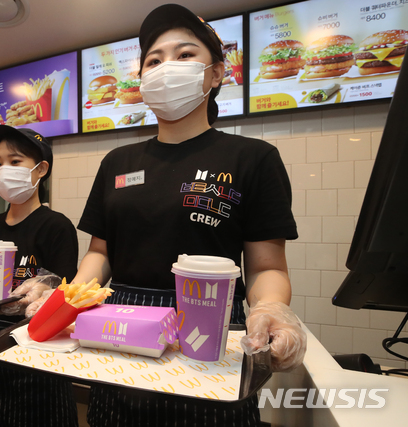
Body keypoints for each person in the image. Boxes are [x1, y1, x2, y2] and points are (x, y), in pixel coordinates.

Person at [72, 4, 306, 426]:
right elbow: (100, 253)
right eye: (154, 60)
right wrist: (70, 298)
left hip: (209, 328)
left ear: (216, 74)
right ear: (142, 79)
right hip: (121, 329)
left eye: (184, 55)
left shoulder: (253, 158)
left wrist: (271, 309)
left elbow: (266, 266)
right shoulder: (116, 162)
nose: (167, 68)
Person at [0, 125, 79, 427]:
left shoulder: (56, 227)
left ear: (41, 169)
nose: (4, 170)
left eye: (15, 162)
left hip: (39, 349)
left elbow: (66, 293)